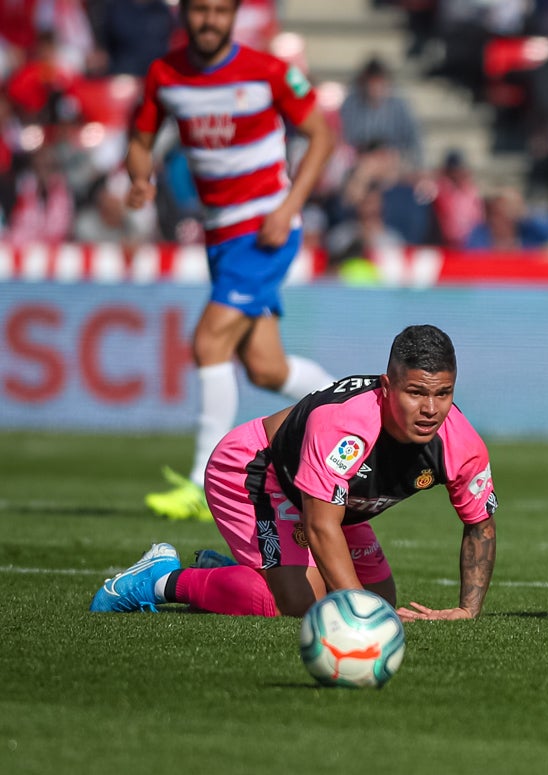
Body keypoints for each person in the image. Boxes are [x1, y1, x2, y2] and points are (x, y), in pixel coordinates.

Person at [90, 325, 499, 621]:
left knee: (381, 601)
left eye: (443, 394)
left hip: (337, 503)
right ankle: (159, 578)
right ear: (387, 386)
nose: (430, 409)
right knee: (294, 604)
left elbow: (480, 525)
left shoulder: (460, 442)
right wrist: (360, 617)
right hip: (258, 469)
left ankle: (230, 572)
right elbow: (321, 526)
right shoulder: (346, 427)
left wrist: (466, 610)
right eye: (416, 393)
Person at [128, 0, 336, 521]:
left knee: (208, 341)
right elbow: (141, 138)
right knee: (266, 370)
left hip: (265, 229)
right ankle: (343, 409)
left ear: (235, 15)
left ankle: (203, 483)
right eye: (201, 9)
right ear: (186, 14)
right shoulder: (165, 74)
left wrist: (288, 207)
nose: (209, 20)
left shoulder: (268, 71)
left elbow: (322, 135)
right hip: (220, 234)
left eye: (221, 10)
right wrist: (138, 176)